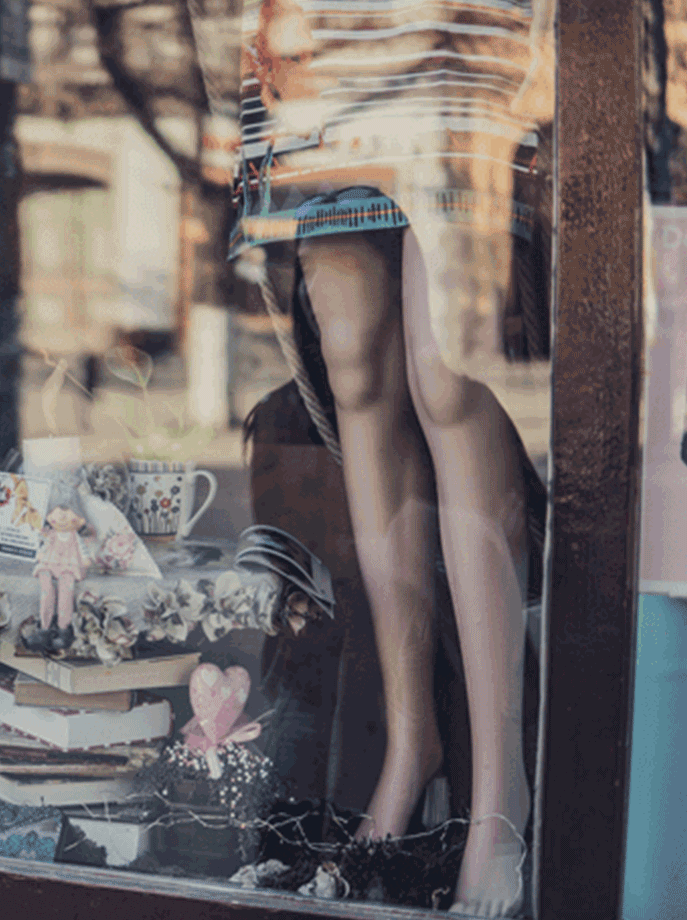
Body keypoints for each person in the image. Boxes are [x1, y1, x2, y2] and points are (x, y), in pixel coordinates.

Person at [231, 0, 553, 915]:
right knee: (354, 363)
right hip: (316, 24)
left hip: (448, 22)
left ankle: (500, 791)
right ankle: (411, 747)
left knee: (446, 366)